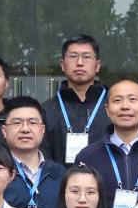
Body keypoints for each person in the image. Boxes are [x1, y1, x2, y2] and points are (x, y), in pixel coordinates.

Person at [74, 78, 138, 208]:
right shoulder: (87, 157)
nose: (125, 106)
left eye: (132, 100)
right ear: (107, 109)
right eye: (117, 100)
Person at [42, 34, 112, 164]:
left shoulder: (114, 107)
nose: (79, 63)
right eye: (73, 56)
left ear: (98, 65)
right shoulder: (46, 110)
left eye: (86, 57)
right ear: (62, 64)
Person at [1, 96, 66, 208]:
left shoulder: (59, 174)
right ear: (4, 131)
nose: (25, 129)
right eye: (17, 123)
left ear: (43, 130)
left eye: (32, 123)